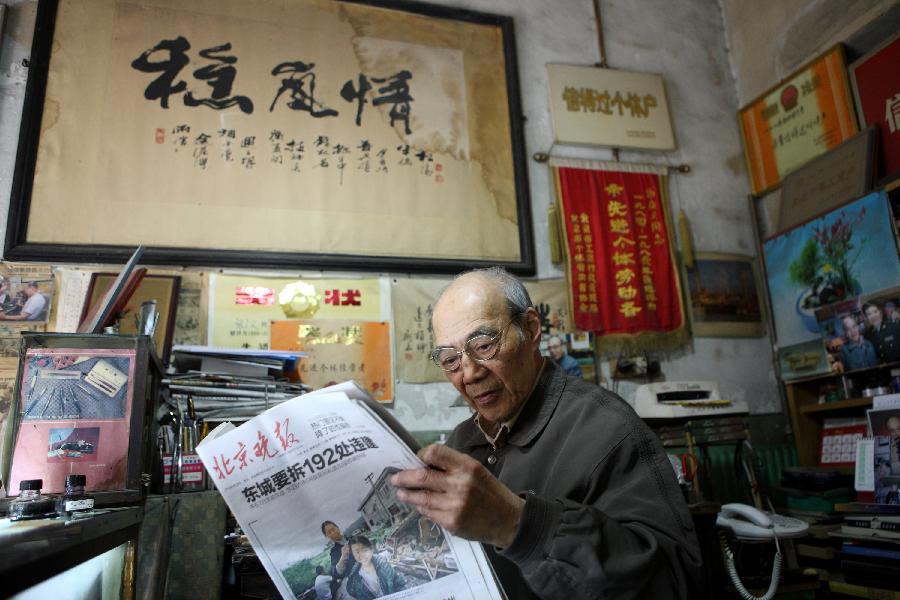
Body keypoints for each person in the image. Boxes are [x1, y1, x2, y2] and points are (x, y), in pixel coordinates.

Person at [391, 267, 704, 599]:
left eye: (483, 345)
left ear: (530, 329)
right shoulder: (461, 442)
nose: (468, 373)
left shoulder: (607, 428)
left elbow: (675, 583)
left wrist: (517, 524)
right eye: (450, 359)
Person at [345, 535, 406, 600]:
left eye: (364, 550)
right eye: (357, 552)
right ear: (353, 555)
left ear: (371, 549)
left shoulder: (383, 564)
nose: (361, 555)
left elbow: (399, 583)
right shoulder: (355, 577)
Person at [321, 520, 354, 599]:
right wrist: (343, 557)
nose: (333, 533)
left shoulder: (353, 539)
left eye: (333, 529)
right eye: (329, 532)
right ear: (327, 536)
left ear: (338, 528)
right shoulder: (334, 552)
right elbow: (335, 572)